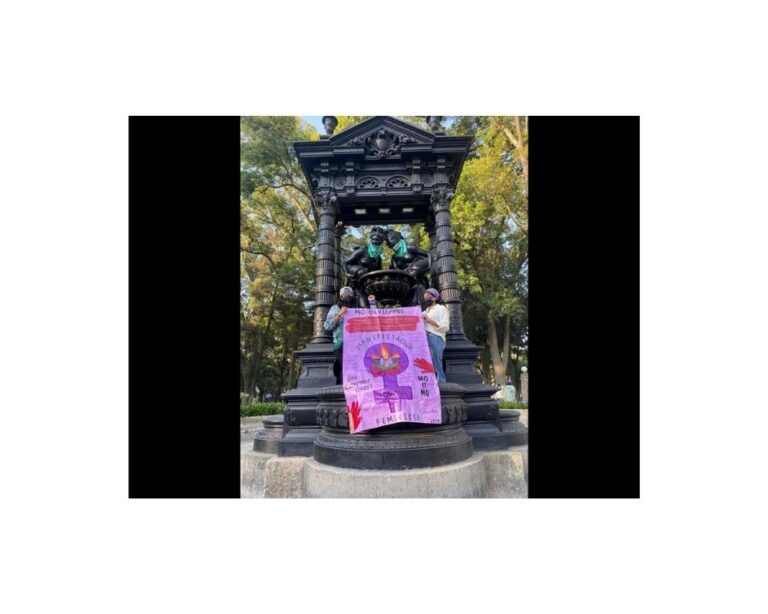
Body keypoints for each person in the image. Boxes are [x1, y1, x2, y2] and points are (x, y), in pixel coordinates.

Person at [324, 286, 355, 384]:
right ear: (340, 297)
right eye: (344, 295)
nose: (347, 296)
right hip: (341, 344)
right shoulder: (335, 308)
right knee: (345, 368)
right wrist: (339, 314)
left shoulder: (357, 308)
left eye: (349, 294)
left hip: (356, 344)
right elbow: (327, 326)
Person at [421, 288, 449, 384]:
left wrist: (430, 321)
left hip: (435, 337)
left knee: (436, 360)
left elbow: (445, 326)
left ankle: (441, 382)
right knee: (427, 363)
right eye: (424, 297)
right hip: (424, 339)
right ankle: (431, 384)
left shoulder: (441, 309)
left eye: (428, 296)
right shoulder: (425, 312)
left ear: (434, 297)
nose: (426, 298)